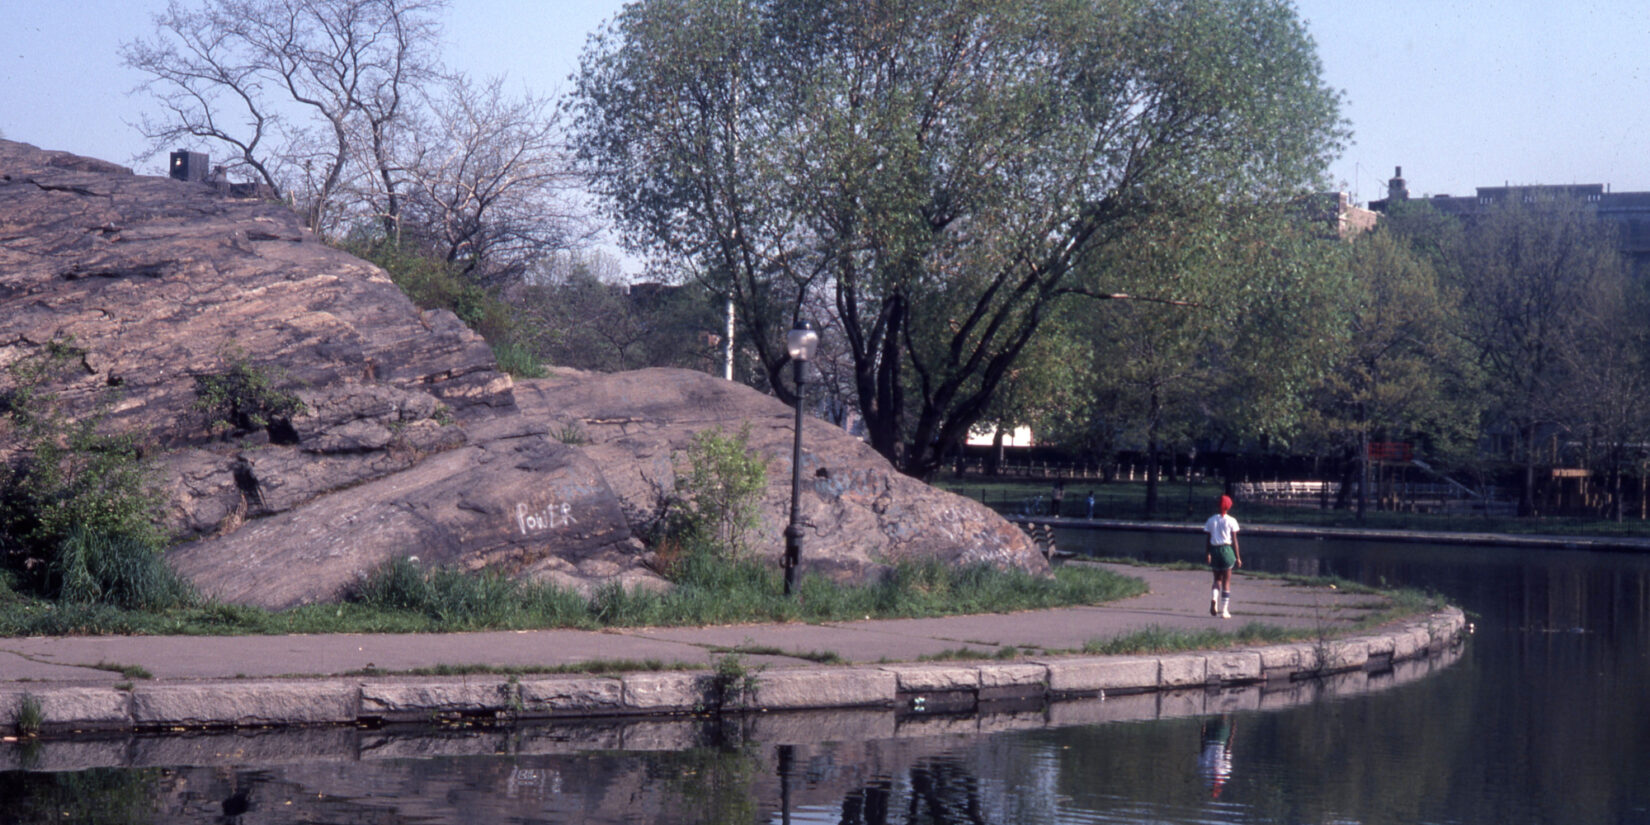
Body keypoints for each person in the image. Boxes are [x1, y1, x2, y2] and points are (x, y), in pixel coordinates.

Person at [1203, 494, 1241, 618]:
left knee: (1216, 580)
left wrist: (1208, 553)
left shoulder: (1211, 520)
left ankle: (1214, 599)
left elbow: (1208, 539)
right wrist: (1238, 557)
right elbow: (1234, 541)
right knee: (1226, 582)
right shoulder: (1232, 520)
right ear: (1229, 507)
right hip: (1226, 550)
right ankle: (1224, 610)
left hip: (1214, 550)